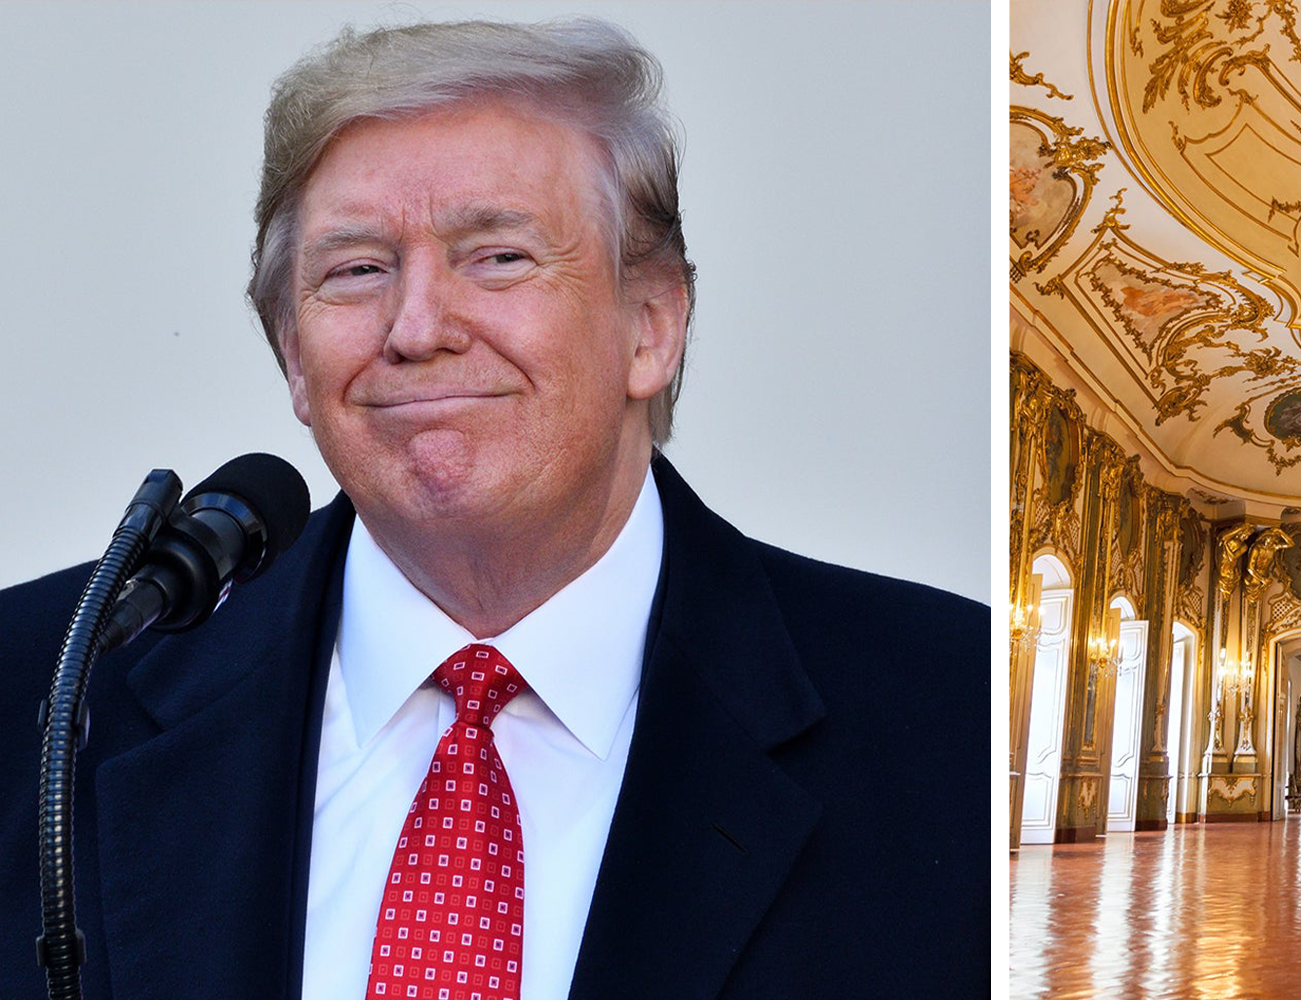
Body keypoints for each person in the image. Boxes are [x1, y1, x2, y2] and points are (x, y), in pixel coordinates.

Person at [0, 18, 986, 1000]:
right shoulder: (43, 691)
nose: (418, 327)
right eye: (357, 270)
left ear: (651, 327)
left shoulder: (952, 716)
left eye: (498, 257)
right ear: (295, 357)